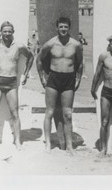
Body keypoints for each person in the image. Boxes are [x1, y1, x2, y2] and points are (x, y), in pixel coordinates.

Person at [0, 21, 34, 150]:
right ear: (1, 32)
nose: (7, 34)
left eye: (9, 31)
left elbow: (31, 57)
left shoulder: (19, 46)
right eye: (5, 31)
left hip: (12, 83)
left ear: (13, 32)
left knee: (15, 113)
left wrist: (26, 74)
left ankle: (18, 141)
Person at [37, 17, 83, 154]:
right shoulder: (50, 44)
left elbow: (80, 63)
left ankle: (69, 146)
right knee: (49, 112)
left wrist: (78, 79)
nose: (63, 29)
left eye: (66, 27)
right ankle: (48, 144)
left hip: (69, 79)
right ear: (57, 28)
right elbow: (39, 60)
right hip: (54, 78)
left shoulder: (76, 45)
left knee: (68, 114)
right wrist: (42, 78)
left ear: (69, 28)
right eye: (61, 27)